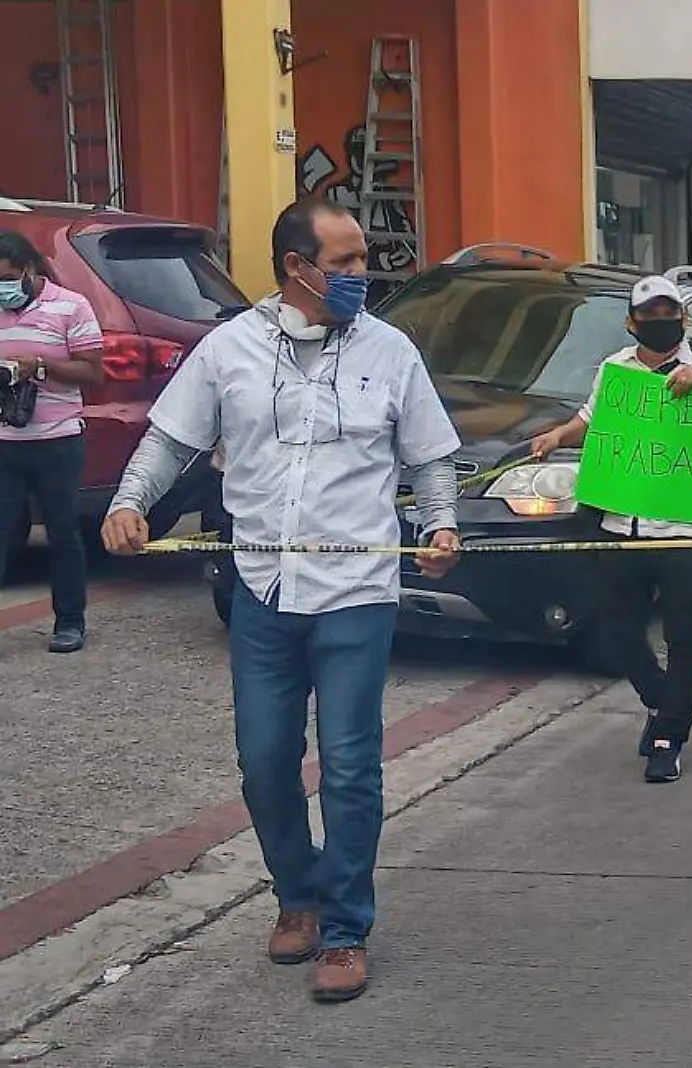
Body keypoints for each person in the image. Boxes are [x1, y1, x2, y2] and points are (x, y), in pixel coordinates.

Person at [102, 200, 463, 1002]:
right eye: (346, 261)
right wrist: (130, 502)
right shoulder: (229, 350)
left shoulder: (390, 351)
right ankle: (294, 894)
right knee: (264, 761)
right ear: (298, 267)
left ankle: (344, 930)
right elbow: (171, 439)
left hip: (356, 595)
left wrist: (438, 525)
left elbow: (432, 457)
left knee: (348, 765)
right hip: (262, 589)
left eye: (362, 258)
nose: (361, 274)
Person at [529, 275, 692, 786]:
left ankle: (669, 739)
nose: (659, 321)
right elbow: (592, 419)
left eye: (668, 311)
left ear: (684, 319)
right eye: (649, 314)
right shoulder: (615, 372)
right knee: (617, 629)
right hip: (621, 526)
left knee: (686, 637)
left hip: (685, 532)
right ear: (632, 323)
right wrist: (560, 434)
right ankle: (660, 698)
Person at [0, 231, 104, 653]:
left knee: (62, 532)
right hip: (5, 440)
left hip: (57, 439)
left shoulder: (70, 305)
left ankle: (70, 622)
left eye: (7, 277)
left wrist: (39, 366)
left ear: (29, 269)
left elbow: (93, 373)